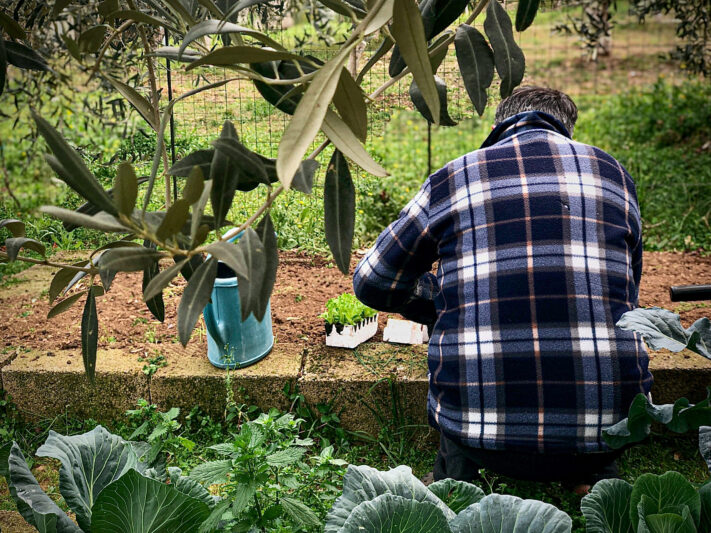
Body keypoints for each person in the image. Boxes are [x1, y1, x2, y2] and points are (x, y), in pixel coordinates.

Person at [352, 86, 652, 490]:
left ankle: (455, 480)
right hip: (612, 430)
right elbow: (628, 297)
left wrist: (443, 303)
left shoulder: (456, 177)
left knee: (464, 361)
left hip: (480, 437)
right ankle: (595, 476)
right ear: (567, 129)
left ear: (497, 126)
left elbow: (371, 281)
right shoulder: (614, 175)